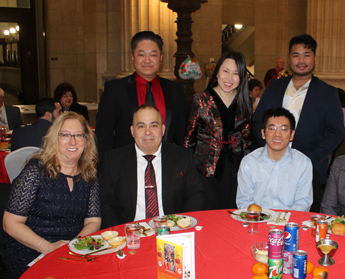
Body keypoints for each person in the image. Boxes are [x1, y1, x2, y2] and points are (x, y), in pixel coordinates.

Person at [2, 112, 100, 279]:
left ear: (86, 140)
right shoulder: (36, 171)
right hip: (33, 252)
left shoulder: (89, 174)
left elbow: (93, 221)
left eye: (78, 135)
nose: (72, 141)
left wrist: (74, 245)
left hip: (72, 251)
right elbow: (10, 223)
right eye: (65, 135)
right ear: (55, 138)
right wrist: (47, 247)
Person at [253, 34, 344, 212]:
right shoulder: (274, 87)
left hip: (310, 168)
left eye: (306, 55)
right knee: (266, 216)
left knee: (305, 223)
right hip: (270, 166)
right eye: (296, 55)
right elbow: (257, 122)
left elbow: (336, 132)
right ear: (289, 59)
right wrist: (269, 149)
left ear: (315, 58)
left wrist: (310, 157)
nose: (301, 60)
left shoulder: (328, 93)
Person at [100, 105, 203, 229]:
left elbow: (195, 195)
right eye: (141, 126)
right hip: (130, 232)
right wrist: (118, 234)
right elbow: (106, 203)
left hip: (172, 230)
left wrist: (182, 226)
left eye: (154, 126)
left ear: (163, 130)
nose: (147, 132)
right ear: (132, 131)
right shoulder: (113, 160)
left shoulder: (183, 156)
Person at [96, 31, 187, 165]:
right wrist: (105, 170)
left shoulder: (175, 90)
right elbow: (104, 135)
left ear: (161, 58)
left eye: (153, 55)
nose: (147, 60)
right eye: (141, 54)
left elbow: (182, 134)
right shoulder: (115, 90)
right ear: (132, 57)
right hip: (126, 167)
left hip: (168, 167)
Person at [183, 51, 252, 210]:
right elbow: (188, 141)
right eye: (225, 71)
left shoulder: (245, 102)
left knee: (231, 215)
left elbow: (247, 142)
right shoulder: (200, 99)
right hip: (204, 170)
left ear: (242, 77)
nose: (229, 78)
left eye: (236, 73)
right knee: (208, 215)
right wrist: (188, 173)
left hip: (235, 171)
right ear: (217, 72)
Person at [237, 108, 313, 211]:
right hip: (258, 221)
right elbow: (244, 201)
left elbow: (303, 202)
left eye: (283, 129)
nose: (277, 135)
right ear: (263, 133)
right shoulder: (249, 162)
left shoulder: (303, 163)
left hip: (290, 223)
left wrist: (283, 221)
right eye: (272, 128)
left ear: (292, 135)